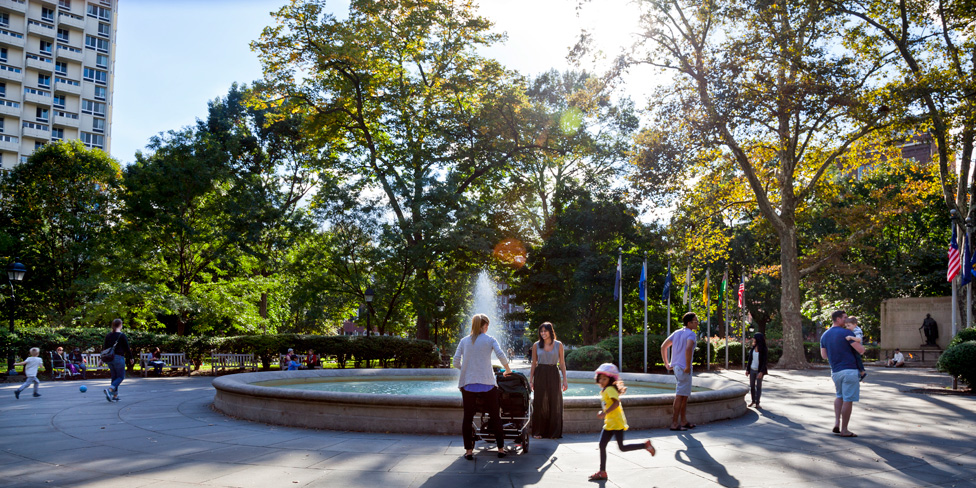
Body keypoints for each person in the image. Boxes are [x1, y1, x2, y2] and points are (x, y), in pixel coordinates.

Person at [453, 313, 513, 460]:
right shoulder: (490, 340)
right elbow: (501, 354)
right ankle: (500, 448)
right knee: (495, 416)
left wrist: (466, 371)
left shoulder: (464, 341)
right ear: (484, 326)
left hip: (468, 386)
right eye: (487, 325)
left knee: (467, 418)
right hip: (488, 385)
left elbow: (455, 362)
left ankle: (468, 451)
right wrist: (508, 370)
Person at [588, 363, 655, 481]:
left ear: (611, 379)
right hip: (609, 423)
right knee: (602, 445)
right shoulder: (604, 390)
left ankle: (645, 445)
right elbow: (608, 404)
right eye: (601, 379)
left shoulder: (609, 389)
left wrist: (604, 413)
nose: (602, 381)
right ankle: (602, 472)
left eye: (605, 378)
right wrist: (604, 411)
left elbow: (616, 403)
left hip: (617, 423)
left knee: (622, 447)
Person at [820, 310, 865, 438]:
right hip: (849, 370)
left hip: (835, 371)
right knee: (848, 399)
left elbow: (823, 356)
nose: (846, 320)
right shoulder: (847, 332)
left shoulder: (825, 335)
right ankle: (844, 429)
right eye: (844, 317)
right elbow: (861, 350)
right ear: (838, 319)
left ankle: (836, 423)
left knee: (839, 396)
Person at [661, 312, 699, 431]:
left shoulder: (677, 333)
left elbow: (663, 346)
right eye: (695, 321)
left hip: (677, 367)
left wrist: (667, 363)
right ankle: (674, 423)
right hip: (684, 368)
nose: (697, 323)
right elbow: (688, 348)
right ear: (689, 323)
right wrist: (688, 366)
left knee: (683, 396)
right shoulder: (691, 334)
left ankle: (683, 421)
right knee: (680, 396)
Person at [529, 322, 567, 439]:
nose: (543, 333)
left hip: (553, 372)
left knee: (554, 401)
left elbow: (562, 363)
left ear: (551, 331)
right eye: (541, 331)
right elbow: (534, 363)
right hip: (540, 373)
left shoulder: (558, 344)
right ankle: (537, 431)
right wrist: (531, 380)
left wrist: (565, 380)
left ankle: (554, 432)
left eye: (545, 331)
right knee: (539, 401)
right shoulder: (536, 345)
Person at [102, 318, 132, 402]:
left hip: (109, 359)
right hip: (118, 357)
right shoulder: (122, 335)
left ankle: (115, 395)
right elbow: (127, 348)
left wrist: (101, 360)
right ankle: (110, 390)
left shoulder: (108, 335)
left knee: (114, 377)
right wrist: (131, 358)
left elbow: (104, 348)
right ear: (120, 325)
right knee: (121, 377)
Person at [744, 333, 768, 409]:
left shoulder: (764, 349)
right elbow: (750, 359)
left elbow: (764, 362)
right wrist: (747, 369)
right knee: (752, 386)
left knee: (758, 386)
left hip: (759, 370)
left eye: (754, 338)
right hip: (752, 369)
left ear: (758, 339)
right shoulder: (753, 348)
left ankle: (757, 403)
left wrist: (761, 372)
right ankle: (753, 401)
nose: (753, 339)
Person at [844, 316, 867, 381]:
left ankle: (862, 372)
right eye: (846, 326)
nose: (847, 328)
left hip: (857, 348)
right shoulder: (853, 329)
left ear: (855, 324)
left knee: (858, 359)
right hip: (854, 347)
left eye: (849, 325)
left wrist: (851, 337)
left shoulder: (857, 330)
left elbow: (859, 339)